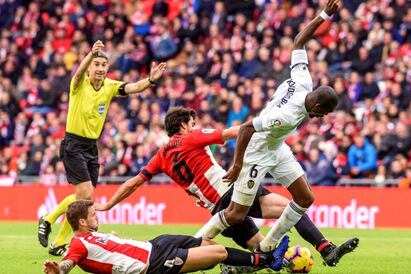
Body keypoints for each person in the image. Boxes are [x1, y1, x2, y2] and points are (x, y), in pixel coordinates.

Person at [95, 107, 358, 269]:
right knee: (293, 209)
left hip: (216, 209)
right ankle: (325, 248)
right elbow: (234, 132)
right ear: (185, 125)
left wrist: (108, 204)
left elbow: (133, 182)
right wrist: (262, 128)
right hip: (232, 193)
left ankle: (273, 265)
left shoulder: (160, 156)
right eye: (192, 123)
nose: (195, 126)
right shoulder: (191, 138)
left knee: (263, 252)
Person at [194, 0, 342, 255]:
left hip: (276, 146)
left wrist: (324, 15)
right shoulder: (285, 116)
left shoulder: (303, 79)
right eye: (324, 112)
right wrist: (238, 163)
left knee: (305, 198)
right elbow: (247, 128)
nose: (321, 117)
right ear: (317, 104)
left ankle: (267, 247)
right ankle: (192, 244)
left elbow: (298, 41)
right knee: (236, 214)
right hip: (257, 150)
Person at [38, 40, 167, 256]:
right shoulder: (79, 84)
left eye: (102, 65)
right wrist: (90, 54)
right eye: (96, 64)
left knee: (85, 200)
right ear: (90, 67)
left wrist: (151, 80)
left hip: (91, 147)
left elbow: (132, 87)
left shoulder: (109, 86)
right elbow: (78, 74)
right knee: (85, 194)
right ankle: (49, 219)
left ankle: (58, 242)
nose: (99, 68)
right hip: (73, 143)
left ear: (107, 69)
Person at [42, 200, 289, 274]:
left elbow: (108, 249)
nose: (97, 216)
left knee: (209, 244)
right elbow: (68, 263)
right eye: (93, 214)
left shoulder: (92, 236)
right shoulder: (77, 244)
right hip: (154, 264)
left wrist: (113, 238)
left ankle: (238, 268)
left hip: (156, 244)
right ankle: (268, 261)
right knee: (219, 253)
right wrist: (59, 270)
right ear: (82, 222)